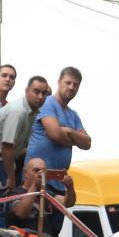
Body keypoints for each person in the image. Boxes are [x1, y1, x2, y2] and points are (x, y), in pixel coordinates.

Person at [0, 75, 50, 226]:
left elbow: (15, 147)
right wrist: (11, 177)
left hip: (1, 162)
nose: (40, 97)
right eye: (36, 91)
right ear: (26, 91)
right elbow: (7, 146)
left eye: (44, 93)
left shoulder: (32, 111)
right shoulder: (18, 110)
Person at [27, 66, 91, 199]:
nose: (71, 87)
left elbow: (87, 143)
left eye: (75, 85)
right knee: (37, 218)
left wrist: (67, 131)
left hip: (60, 182)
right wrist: (74, 139)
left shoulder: (73, 115)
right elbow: (55, 134)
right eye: (68, 83)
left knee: (56, 219)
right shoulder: (47, 102)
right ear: (59, 82)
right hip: (38, 179)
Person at [8, 156, 76, 237]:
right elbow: (21, 213)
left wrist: (70, 187)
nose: (40, 174)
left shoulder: (47, 194)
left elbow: (68, 202)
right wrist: (34, 185)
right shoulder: (15, 193)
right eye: (36, 171)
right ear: (25, 173)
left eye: (43, 171)